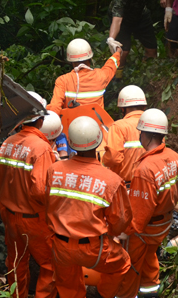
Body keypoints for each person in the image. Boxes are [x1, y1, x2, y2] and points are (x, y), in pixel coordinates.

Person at [45, 116, 132, 298]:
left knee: (68, 288)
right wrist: (112, 232)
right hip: (93, 249)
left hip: (60, 246)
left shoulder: (54, 170)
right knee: (123, 264)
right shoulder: (111, 181)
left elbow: (48, 205)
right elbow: (120, 221)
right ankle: (101, 295)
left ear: (71, 143)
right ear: (99, 142)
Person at [117, 109, 178, 298]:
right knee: (149, 259)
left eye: (140, 132)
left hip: (146, 229)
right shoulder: (174, 157)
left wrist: (123, 231)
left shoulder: (145, 169)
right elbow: (177, 191)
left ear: (145, 135)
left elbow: (140, 214)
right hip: (164, 224)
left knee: (130, 267)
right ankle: (150, 293)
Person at [0, 92, 57, 298]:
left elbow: (0, 180)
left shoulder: (8, 143)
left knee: (16, 263)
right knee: (51, 265)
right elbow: (41, 191)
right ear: (40, 119)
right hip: (34, 219)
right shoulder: (41, 148)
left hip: (10, 217)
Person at [47, 38, 121, 115]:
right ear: (90, 59)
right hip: (97, 124)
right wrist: (118, 52)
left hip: (72, 124)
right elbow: (111, 66)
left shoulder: (63, 81)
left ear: (71, 61)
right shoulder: (101, 76)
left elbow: (55, 107)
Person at [101, 85, 147, 184]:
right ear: (144, 106)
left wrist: (103, 158)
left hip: (126, 186)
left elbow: (113, 158)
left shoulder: (119, 127)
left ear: (122, 108)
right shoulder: (154, 124)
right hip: (149, 186)